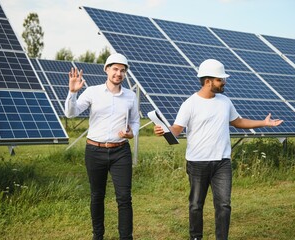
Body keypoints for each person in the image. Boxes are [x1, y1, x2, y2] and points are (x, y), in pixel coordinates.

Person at [154, 59, 283, 240]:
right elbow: (177, 128)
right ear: (208, 81)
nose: (224, 82)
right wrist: (164, 130)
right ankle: (196, 237)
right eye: (220, 79)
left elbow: (238, 122)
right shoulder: (190, 104)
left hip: (222, 162)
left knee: (223, 205)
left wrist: (264, 123)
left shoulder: (225, 101)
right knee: (196, 205)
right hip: (197, 162)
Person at [65, 53, 140, 240]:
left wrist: (132, 133)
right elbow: (70, 113)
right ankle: (98, 235)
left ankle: (126, 237)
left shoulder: (130, 96)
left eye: (122, 70)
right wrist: (72, 93)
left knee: (124, 198)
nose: (119, 73)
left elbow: (135, 122)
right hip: (95, 151)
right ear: (106, 69)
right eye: (115, 69)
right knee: (97, 196)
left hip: (120, 151)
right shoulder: (92, 92)